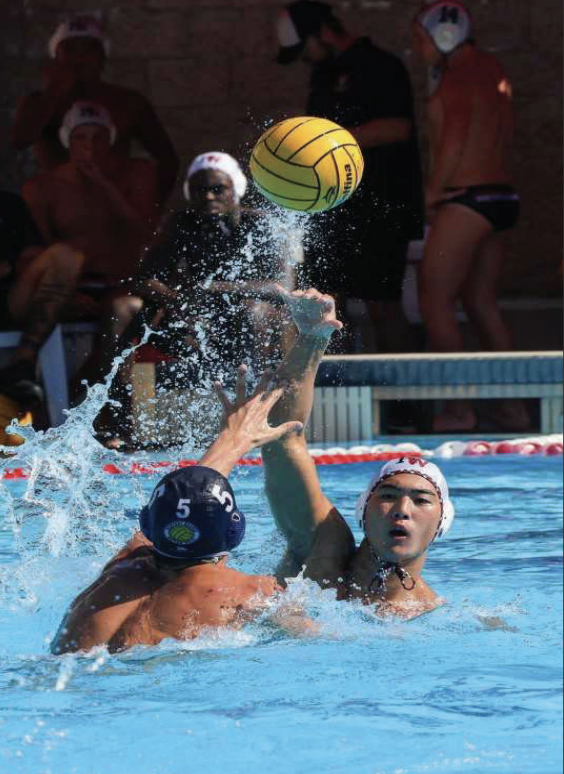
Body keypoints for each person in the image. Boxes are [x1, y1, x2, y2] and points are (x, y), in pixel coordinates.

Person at [51, 367, 305, 654]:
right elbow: (324, 640)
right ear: (235, 531)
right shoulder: (254, 594)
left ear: (148, 524)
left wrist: (234, 438)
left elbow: (182, 502)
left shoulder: (119, 569)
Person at [262, 288, 455, 618]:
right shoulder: (323, 546)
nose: (402, 510)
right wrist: (310, 339)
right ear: (364, 512)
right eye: (388, 496)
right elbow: (283, 440)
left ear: (441, 523)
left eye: (422, 500)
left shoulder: (432, 614)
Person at [276, 1, 425, 355]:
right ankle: (334, 397)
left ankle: (401, 405)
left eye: (306, 49)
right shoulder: (324, 75)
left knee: (382, 306)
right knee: (324, 306)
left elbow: (397, 127)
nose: (306, 59)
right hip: (332, 209)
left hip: (381, 207)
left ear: (323, 33)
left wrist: (327, 144)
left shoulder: (381, 66)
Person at [412, 1, 527, 432]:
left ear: (443, 38)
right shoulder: (492, 69)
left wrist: (433, 193)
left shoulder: (457, 80)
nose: (416, 48)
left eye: (418, 39)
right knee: (481, 302)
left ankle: (459, 408)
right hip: (500, 196)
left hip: (466, 198)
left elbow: (455, 144)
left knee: (434, 299)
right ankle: (513, 408)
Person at [21, 101, 159, 392]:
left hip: (122, 282)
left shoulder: (138, 173)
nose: (90, 146)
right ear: (67, 141)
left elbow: (145, 232)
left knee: (125, 315)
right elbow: (45, 253)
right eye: (81, 137)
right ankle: (44, 389)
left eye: (98, 138)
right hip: (73, 286)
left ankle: (110, 406)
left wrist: (103, 184)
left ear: (111, 141)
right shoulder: (42, 187)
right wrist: (64, 292)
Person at [133, 152, 297, 382]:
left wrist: (213, 287)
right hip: (201, 314)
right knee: (126, 309)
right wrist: (177, 300)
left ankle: (255, 395)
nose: (209, 196)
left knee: (253, 312)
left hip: (257, 316)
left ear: (236, 190)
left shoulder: (262, 223)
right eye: (199, 190)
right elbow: (144, 279)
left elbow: (283, 287)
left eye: (218, 189)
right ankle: (109, 400)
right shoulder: (182, 224)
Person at [10, 15, 178, 203]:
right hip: (59, 209)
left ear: (102, 57)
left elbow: (168, 160)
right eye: (70, 48)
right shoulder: (38, 102)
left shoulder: (129, 102)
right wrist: (55, 91)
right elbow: (18, 140)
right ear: (56, 56)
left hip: (114, 210)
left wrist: (148, 210)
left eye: (89, 48)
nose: (79, 56)